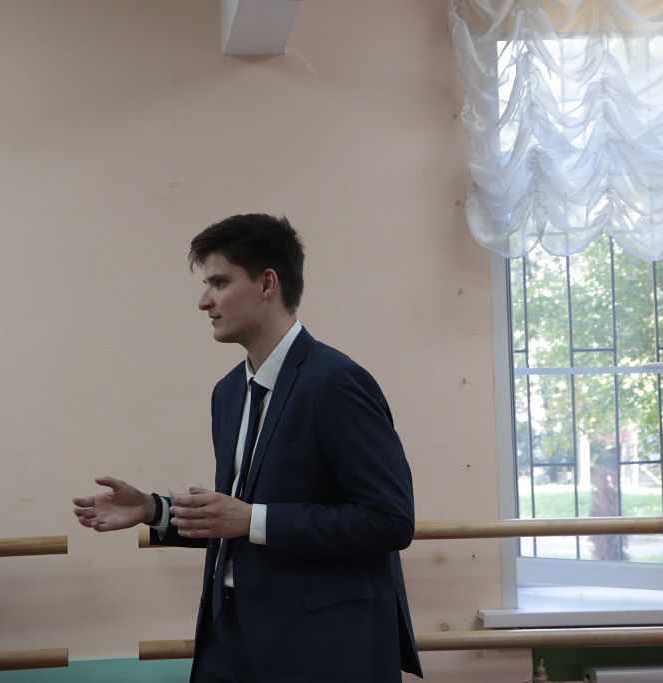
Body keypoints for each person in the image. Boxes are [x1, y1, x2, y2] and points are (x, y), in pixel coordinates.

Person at [74, 214, 422, 682]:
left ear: (267, 284)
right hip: (230, 637)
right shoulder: (228, 393)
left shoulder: (336, 382)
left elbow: (390, 520)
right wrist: (154, 510)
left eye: (219, 282)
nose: (204, 301)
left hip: (320, 647)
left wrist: (253, 519)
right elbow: (234, 518)